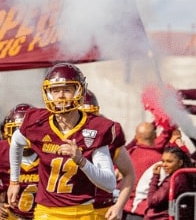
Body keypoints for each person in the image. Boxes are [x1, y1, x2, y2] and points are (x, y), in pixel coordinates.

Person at [7, 62, 117, 220]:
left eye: (67, 90)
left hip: (82, 212)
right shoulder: (37, 122)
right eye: (55, 90)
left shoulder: (94, 128)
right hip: (47, 212)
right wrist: (14, 181)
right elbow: (16, 143)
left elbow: (109, 184)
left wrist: (81, 161)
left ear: (79, 91)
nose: (61, 96)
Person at [0, 103, 39, 220]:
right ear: (8, 131)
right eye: (17, 130)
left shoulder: (48, 149)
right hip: (13, 216)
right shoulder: (0, 152)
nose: (22, 136)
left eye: (28, 130)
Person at [81, 89, 135, 220]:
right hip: (64, 209)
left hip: (100, 209)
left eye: (91, 115)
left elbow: (129, 174)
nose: (88, 121)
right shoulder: (55, 135)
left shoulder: (107, 135)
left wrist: (119, 206)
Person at [123, 122, 184, 219]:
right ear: (155, 135)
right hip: (147, 211)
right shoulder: (160, 160)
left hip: (127, 209)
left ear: (136, 136)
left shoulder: (128, 154)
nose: (165, 164)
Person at [144, 145, 195, 220]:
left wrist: (155, 177)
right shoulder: (181, 176)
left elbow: (153, 201)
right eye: (163, 161)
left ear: (180, 163)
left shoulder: (177, 178)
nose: (164, 165)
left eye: (169, 161)